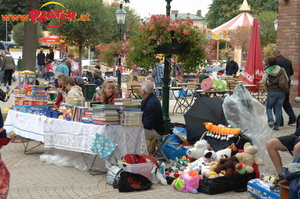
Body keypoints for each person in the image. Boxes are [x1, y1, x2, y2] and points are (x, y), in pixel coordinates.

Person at [262, 56, 287, 131]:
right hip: (281, 92)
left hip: (272, 91)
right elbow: (287, 79)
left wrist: (267, 88)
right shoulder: (282, 69)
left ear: (268, 63)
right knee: (278, 109)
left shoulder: (267, 70)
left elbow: (263, 80)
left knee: (269, 107)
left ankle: (270, 121)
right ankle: (277, 126)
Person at [273, 50, 297, 125]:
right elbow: (291, 73)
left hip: (279, 84)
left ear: (275, 54)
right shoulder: (288, 61)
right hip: (287, 84)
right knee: (286, 101)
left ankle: (280, 121)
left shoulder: (276, 62)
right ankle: (292, 118)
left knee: (277, 102)